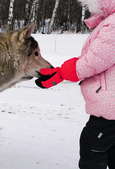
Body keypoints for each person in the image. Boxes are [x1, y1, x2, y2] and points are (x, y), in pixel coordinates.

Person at [35, 0, 115, 168]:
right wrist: (62, 70)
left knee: (92, 150)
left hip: (110, 107)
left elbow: (95, 60)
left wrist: (63, 73)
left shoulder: (113, 25)